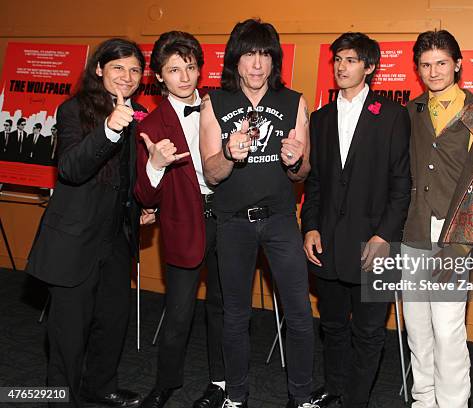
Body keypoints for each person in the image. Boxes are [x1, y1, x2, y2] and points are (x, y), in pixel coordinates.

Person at [25, 38, 153, 408]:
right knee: (68, 334)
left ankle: (101, 385)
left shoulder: (139, 112)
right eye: (117, 68)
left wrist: (144, 201)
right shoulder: (73, 110)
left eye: (133, 70)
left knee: (112, 323)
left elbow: (129, 177)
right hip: (74, 240)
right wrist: (110, 129)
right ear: (99, 69)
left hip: (115, 237)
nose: (126, 77)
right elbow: (70, 169)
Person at [199, 18, 315, 408]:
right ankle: (236, 396)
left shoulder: (294, 101)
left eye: (265, 55)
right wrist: (229, 154)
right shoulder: (214, 102)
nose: (257, 64)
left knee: (299, 313)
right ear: (236, 59)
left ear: (274, 61)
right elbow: (212, 173)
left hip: (281, 220)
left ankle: (300, 397)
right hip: (232, 222)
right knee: (235, 315)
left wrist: (295, 161)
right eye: (249, 54)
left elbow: (303, 173)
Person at [301, 32, 411, 408]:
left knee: (367, 332)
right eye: (338, 60)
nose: (342, 67)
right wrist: (310, 226)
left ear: (370, 67)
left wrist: (384, 236)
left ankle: (356, 400)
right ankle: (333, 388)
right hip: (327, 242)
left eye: (350, 60)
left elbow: (402, 187)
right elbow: (314, 183)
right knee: (331, 326)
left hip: (375, 244)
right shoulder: (319, 118)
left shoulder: (393, 115)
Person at [401, 30, 473, 408]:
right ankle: (424, 399)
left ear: (457, 64)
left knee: (448, 327)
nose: (433, 71)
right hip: (413, 228)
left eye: (441, 63)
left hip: (455, 232)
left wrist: (462, 243)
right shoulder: (410, 111)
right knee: (417, 328)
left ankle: (453, 402)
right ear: (418, 69)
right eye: (425, 64)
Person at [134, 30, 225, 408]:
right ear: (159, 76)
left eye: (190, 67)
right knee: (179, 312)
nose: (184, 77)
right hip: (183, 222)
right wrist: (155, 164)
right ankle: (166, 382)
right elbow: (146, 195)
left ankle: (222, 383)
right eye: (174, 69)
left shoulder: (222, 106)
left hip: (227, 218)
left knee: (224, 307)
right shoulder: (151, 126)